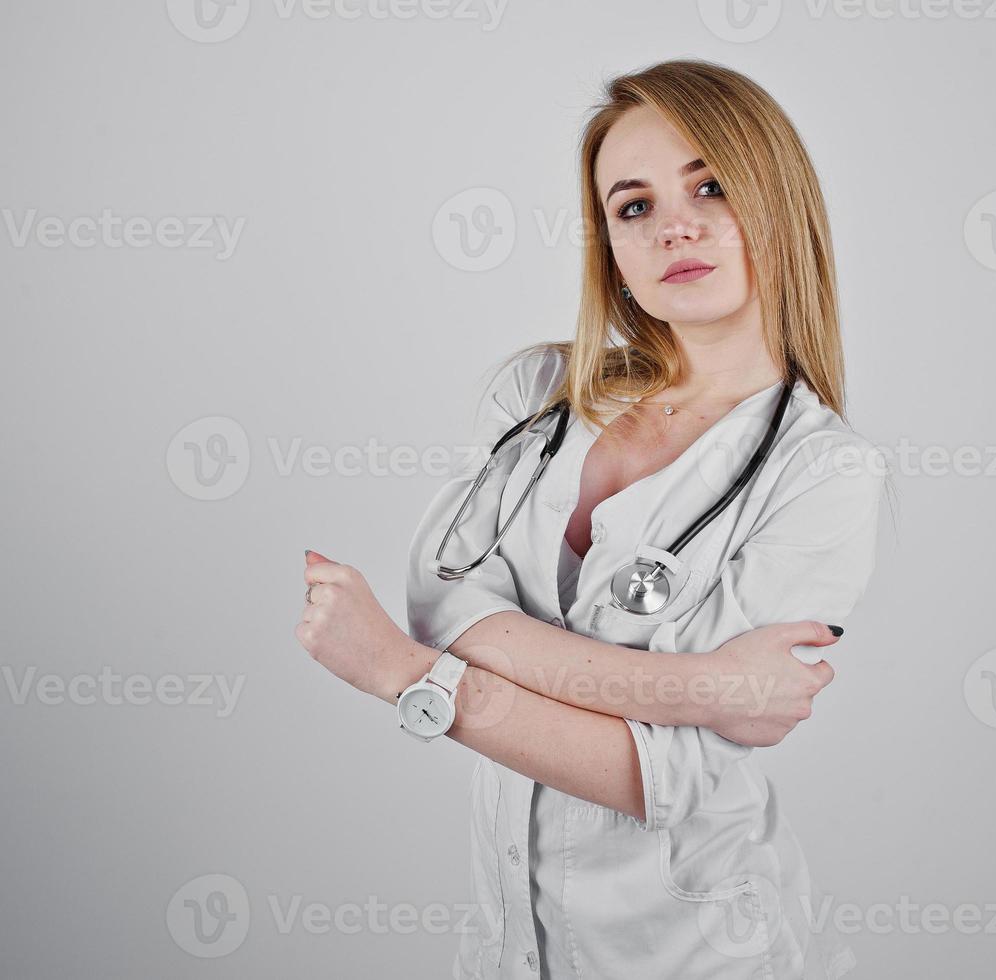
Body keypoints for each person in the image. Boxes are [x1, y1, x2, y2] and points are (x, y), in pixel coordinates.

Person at [297, 57, 884, 979]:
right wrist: (700, 687)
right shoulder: (540, 395)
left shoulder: (823, 472)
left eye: (713, 185)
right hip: (507, 949)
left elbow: (663, 778)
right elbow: (444, 608)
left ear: (780, 201)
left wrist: (407, 676)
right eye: (633, 205)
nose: (675, 226)